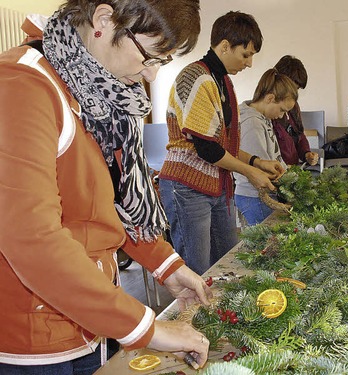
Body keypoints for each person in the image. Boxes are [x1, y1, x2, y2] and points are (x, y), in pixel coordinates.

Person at [0, 1, 213, 373]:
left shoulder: (98, 91)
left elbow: (110, 204)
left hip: (92, 318)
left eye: (160, 62)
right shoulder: (21, 85)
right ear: (103, 20)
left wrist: (166, 265)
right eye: (150, 56)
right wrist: (148, 328)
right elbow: (32, 239)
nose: (149, 75)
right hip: (35, 338)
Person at [158, 11, 284, 275]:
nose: (249, 64)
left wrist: (257, 162)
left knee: (226, 264)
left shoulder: (223, 81)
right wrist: (252, 172)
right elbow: (208, 148)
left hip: (216, 187)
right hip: (187, 188)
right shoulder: (196, 77)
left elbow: (224, 141)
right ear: (225, 46)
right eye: (245, 55)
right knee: (198, 272)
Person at [234, 69, 298, 225]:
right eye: (282, 110)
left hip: (261, 195)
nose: (282, 116)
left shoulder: (263, 117)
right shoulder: (252, 123)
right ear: (270, 98)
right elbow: (259, 169)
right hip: (255, 196)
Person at [271, 55, 319, 166]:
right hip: (277, 171)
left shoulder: (294, 106)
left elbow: (300, 135)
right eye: (293, 88)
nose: (295, 93)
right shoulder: (269, 110)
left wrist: (307, 154)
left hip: (291, 170)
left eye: (297, 89)